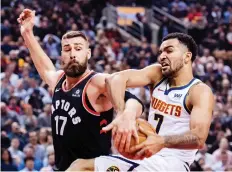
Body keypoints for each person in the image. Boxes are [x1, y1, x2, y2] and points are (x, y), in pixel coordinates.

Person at [17, 9, 144, 171]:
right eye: (67, 49)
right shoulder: (58, 80)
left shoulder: (97, 82)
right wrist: (27, 34)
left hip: (92, 168)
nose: (73, 54)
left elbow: (133, 100)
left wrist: (127, 114)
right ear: (61, 54)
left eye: (78, 48)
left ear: (88, 53)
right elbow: (45, 67)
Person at [67, 33, 214, 171]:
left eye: (169, 51)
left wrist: (162, 141)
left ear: (187, 57)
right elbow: (114, 79)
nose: (162, 56)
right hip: (148, 158)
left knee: (81, 167)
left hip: (172, 163)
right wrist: (122, 113)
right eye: (160, 52)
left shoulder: (199, 91)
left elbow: (199, 138)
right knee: (79, 165)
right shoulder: (157, 75)